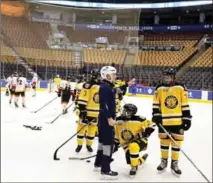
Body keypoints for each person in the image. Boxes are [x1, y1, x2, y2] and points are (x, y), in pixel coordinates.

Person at [152, 68, 192, 176]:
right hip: (163, 121)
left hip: (177, 121)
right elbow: (156, 103)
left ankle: (174, 163)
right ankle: (163, 161)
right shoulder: (159, 87)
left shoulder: (180, 87)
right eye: (164, 76)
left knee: (176, 143)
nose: (166, 78)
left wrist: (187, 118)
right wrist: (156, 115)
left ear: (174, 77)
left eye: (168, 76)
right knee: (164, 142)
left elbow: (185, 104)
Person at [114, 103, 155, 176]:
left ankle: (134, 167)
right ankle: (141, 160)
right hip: (126, 145)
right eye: (123, 110)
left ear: (131, 113)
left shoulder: (139, 119)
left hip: (141, 141)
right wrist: (115, 144)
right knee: (132, 162)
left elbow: (152, 125)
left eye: (126, 111)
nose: (123, 112)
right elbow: (117, 135)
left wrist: (144, 134)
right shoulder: (118, 120)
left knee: (133, 146)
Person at [94, 66, 118, 180]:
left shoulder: (107, 86)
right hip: (106, 119)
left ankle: (98, 163)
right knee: (108, 144)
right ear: (107, 75)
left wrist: (127, 84)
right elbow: (104, 103)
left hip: (103, 118)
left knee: (102, 142)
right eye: (113, 74)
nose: (115, 76)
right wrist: (109, 118)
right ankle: (105, 170)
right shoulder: (105, 87)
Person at [75, 69, 101, 153]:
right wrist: (82, 110)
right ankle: (79, 145)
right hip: (87, 111)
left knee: (92, 130)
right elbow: (83, 98)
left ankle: (89, 145)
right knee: (81, 129)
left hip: (96, 113)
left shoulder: (102, 85)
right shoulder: (87, 85)